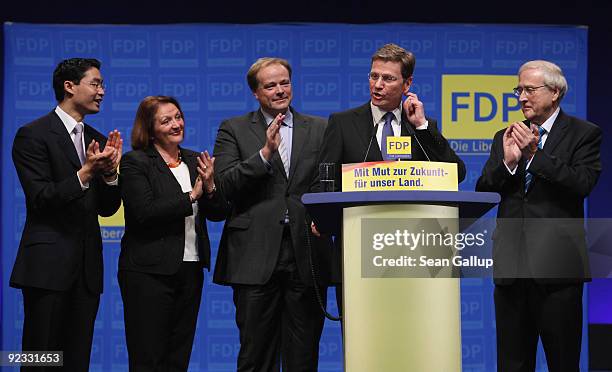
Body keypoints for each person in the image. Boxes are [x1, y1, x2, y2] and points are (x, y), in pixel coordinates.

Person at [317, 43, 466, 314]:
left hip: (415, 254)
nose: (378, 84)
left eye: (388, 78)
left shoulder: (420, 125)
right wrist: (323, 217)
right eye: (374, 76)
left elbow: (455, 173)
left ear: (407, 84)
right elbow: (324, 181)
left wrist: (422, 127)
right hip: (357, 253)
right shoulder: (343, 123)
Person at [476, 60, 602, 371]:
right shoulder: (504, 136)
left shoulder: (584, 134)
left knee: (562, 362)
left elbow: (582, 183)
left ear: (555, 92)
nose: (521, 97)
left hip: (557, 270)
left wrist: (535, 156)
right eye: (518, 90)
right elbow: (484, 189)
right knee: (512, 364)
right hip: (511, 269)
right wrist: (507, 163)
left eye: (529, 90)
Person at [212, 57, 332, 372]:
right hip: (254, 255)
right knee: (256, 356)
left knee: (303, 357)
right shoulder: (234, 129)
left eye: (285, 83)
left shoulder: (320, 129)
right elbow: (224, 185)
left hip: (306, 251)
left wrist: (323, 216)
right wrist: (264, 154)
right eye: (270, 85)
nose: (280, 91)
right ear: (255, 93)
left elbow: (328, 182)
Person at [10, 57, 122, 371]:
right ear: (69, 86)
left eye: (102, 85)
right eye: (96, 83)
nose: (102, 91)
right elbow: (41, 197)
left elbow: (107, 208)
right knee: (40, 357)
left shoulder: (96, 139)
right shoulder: (32, 134)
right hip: (47, 268)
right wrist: (85, 173)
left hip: (86, 271)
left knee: (76, 359)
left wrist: (111, 175)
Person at [118, 96, 226, 371]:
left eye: (178, 116)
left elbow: (217, 212)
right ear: (150, 129)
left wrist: (211, 188)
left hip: (190, 269)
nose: (176, 124)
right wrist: (192, 195)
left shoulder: (194, 159)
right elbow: (144, 211)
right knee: (148, 356)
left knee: (179, 356)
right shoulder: (136, 162)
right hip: (148, 272)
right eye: (166, 120)